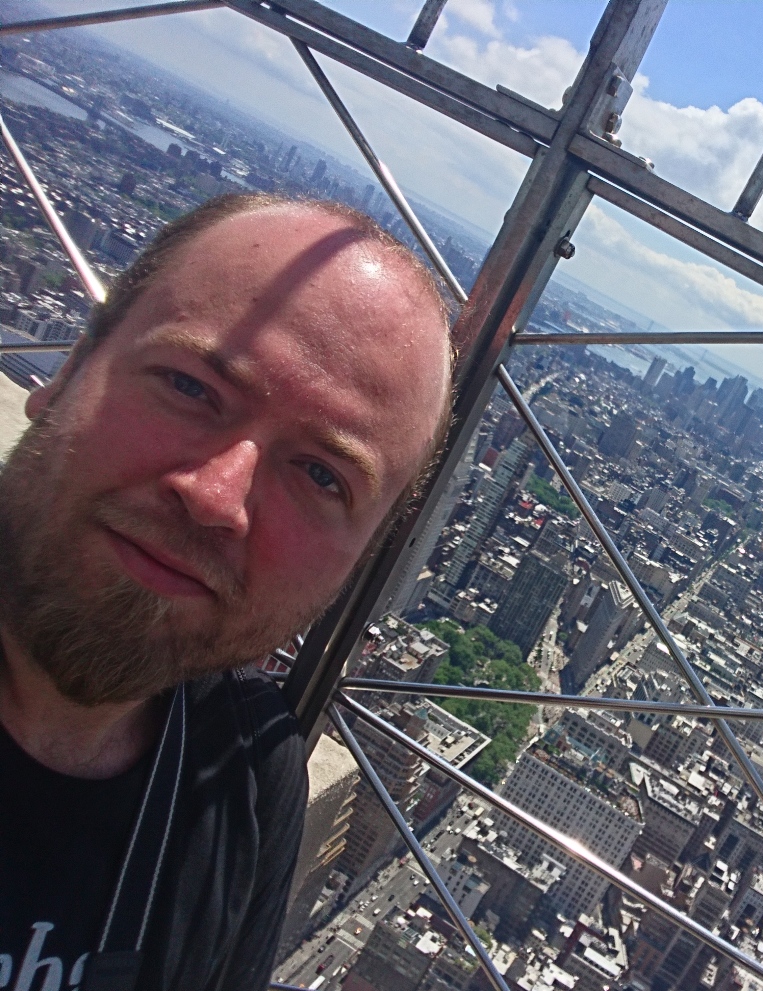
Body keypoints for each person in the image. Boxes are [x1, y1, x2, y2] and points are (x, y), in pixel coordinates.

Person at [0, 193, 453, 990]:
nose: (216, 497)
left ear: (359, 564)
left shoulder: (249, 777)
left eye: (322, 475)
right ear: (68, 370)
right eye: (189, 386)